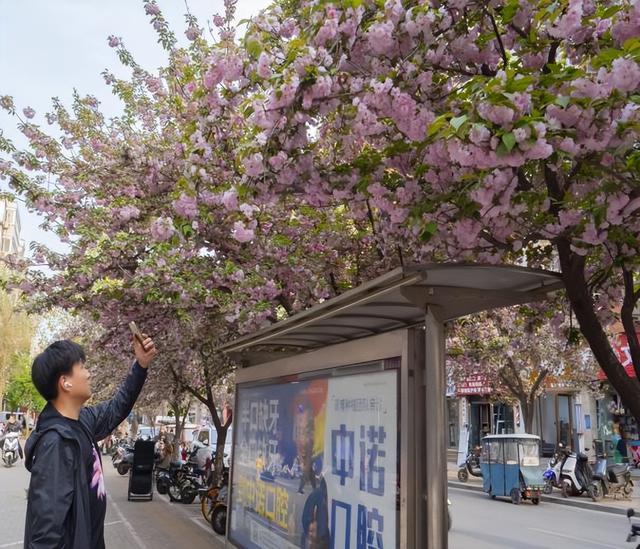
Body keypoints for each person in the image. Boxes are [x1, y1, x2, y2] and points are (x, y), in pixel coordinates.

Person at [23, 335, 157, 549]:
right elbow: (45, 532)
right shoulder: (56, 443)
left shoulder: (82, 421)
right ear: (65, 382)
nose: (89, 373)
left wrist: (140, 366)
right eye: (82, 367)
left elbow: (117, 407)